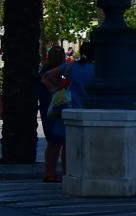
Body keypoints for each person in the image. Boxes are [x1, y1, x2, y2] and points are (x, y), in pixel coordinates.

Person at [41, 41, 95, 179]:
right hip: (88, 110)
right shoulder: (97, 69)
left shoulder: (71, 66)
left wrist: (55, 90)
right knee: (71, 145)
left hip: (68, 110)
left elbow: (47, 76)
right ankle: (68, 172)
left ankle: (50, 174)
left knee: (56, 142)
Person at [36, 46, 67, 183]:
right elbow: (54, 88)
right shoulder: (48, 73)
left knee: (54, 142)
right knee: (57, 141)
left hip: (48, 108)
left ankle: (51, 172)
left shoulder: (45, 70)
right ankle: (52, 172)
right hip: (54, 109)